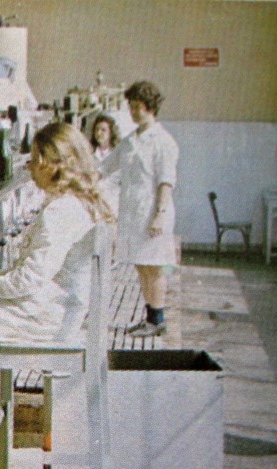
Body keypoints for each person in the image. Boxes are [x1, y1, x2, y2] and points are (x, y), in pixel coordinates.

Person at [0, 122, 115, 345]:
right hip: (61, 309)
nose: (29, 168)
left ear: (52, 165)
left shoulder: (60, 211)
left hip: (42, 317)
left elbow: (31, 278)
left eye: (35, 160)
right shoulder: (80, 203)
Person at [101, 80, 179, 337]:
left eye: (137, 107)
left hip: (153, 214)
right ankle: (150, 318)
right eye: (131, 107)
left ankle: (158, 320)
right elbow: (105, 167)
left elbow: (166, 182)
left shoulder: (163, 141)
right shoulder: (130, 141)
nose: (133, 112)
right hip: (134, 214)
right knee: (141, 265)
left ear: (150, 107)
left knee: (154, 266)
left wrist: (159, 215)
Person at [90, 113, 121, 216]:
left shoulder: (118, 155)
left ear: (111, 132)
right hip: (94, 204)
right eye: (97, 130)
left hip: (114, 204)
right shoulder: (89, 154)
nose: (99, 133)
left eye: (103, 130)